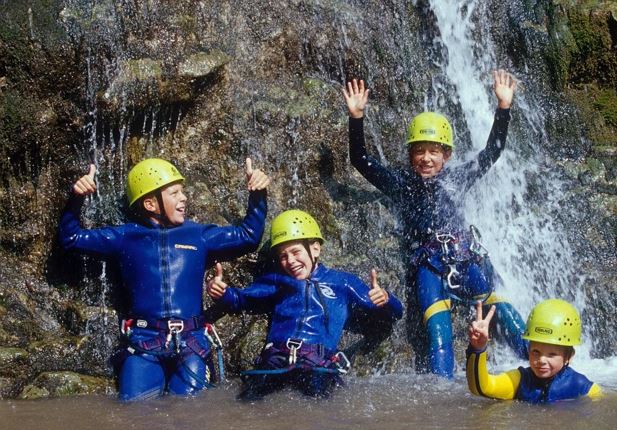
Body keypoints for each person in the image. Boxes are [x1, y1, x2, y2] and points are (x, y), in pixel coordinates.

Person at [342, 71, 527, 379]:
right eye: (419, 150)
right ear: (410, 154)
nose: (426, 158)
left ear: (447, 154)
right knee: (437, 335)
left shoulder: (458, 178)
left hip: (466, 259)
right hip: (429, 266)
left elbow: (492, 152)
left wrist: (503, 108)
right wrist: (356, 117)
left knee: (504, 314)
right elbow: (360, 159)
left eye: (434, 151)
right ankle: (442, 395)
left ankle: (541, 364)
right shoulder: (400, 183)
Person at [59, 157, 270, 401]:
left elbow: (248, 236)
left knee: (191, 414)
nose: (184, 198)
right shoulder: (125, 237)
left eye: (182, 191)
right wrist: (76, 198)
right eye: (175, 193)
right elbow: (71, 239)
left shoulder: (198, 234)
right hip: (144, 342)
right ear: (150, 203)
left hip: (191, 342)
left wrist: (258, 194)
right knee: (134, 411)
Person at [206, 209, 403, 400]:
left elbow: (393, 313)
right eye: (283, 256)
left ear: (315, 248)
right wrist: (222, 293)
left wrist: (386, 299)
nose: (290, 261)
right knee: (249, 400)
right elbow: (241, 299)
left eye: (295, 252)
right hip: (276, 359)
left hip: (317, 363)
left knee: (316, 402)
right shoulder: (278, 280)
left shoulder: (342, 282)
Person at [466, 298, 602, 402]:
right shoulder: (520, 380)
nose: (541, 360)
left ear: (569, 356)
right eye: (535, 352)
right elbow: (482, 388)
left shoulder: (582, 387)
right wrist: (478, 349)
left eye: (552, 354)